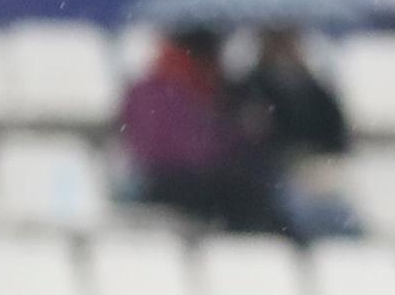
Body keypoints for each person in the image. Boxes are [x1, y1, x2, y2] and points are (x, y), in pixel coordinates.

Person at [119, 30, 293, 240]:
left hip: (188, 180)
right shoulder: (171, 90)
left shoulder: (200, 87)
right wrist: (239, 132)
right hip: (169, 181)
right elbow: (188, 149)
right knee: (249, 195)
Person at [232, 28, 361, 243]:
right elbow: (247, 137)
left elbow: (336, 132)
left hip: (315, 165)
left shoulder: (314, 87)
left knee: (339, 210)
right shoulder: (253, 87)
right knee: (297, 206)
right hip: (275, 170)